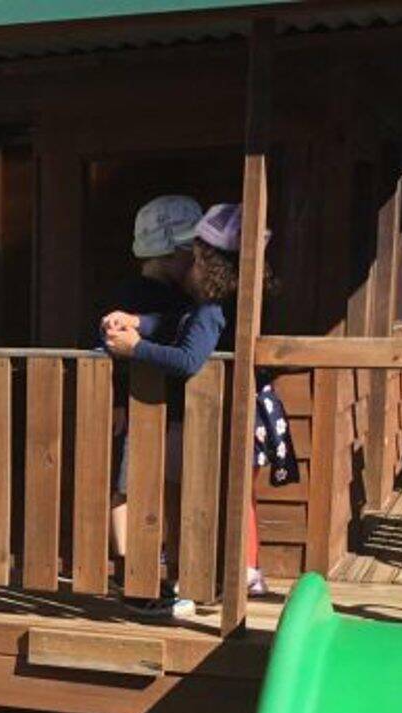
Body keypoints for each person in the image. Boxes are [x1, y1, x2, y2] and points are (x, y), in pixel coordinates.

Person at [103, 202, 297, 603]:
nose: (188, 265)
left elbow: (189, 357)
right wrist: (138, 322)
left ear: (207, 264)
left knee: (215, 495)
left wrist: (136, 348)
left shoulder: (211, 308)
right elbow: (179, 326)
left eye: (193, 257)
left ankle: (219, 576)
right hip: (240, 411)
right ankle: (228, 573)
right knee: (224, 493)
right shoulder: (225, 302)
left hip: (224, 415)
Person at [100, 195, 201, 600]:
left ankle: (166, 564)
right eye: (186, 252)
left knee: (172, 485)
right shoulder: (134, 292)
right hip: (139, 404)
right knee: (129, 485)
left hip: (173, 407)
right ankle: (129, 567)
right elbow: (112, 347)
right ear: (165, 252)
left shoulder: (184, 298)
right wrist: (117, 400)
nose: (192, 260)